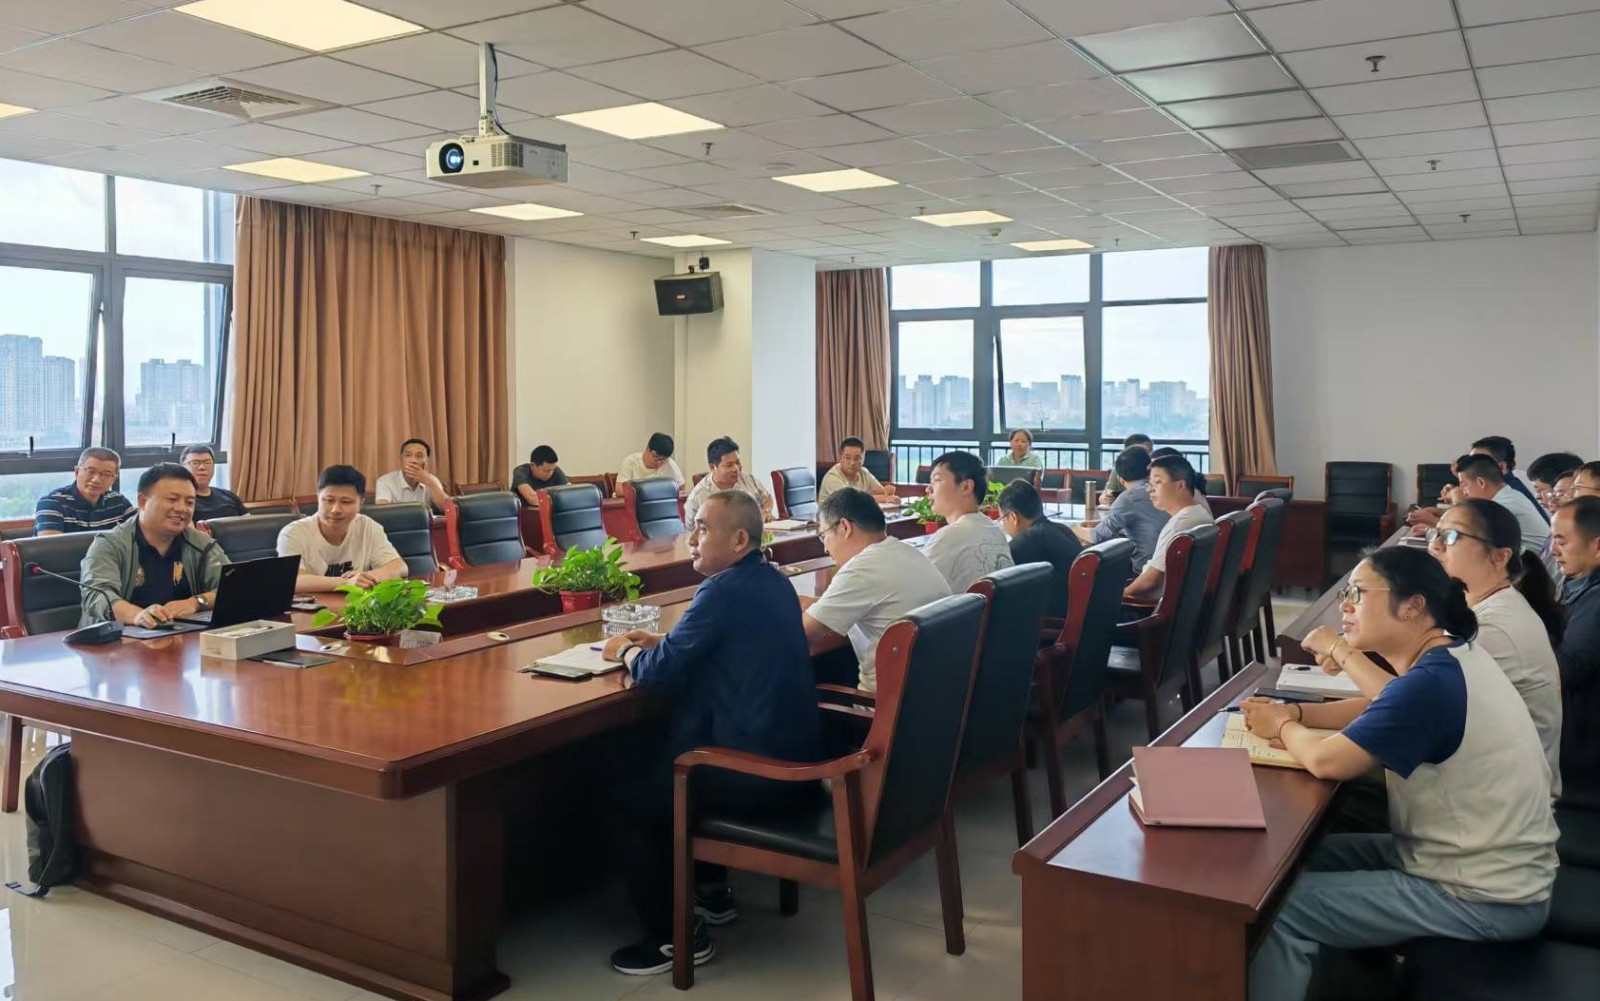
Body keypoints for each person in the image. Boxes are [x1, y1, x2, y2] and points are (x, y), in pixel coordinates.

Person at [1243, 547, 1558, 1001]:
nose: (1345, 605)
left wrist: (1282, 725)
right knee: (1296, 861)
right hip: (1463, 862)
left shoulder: (1432, 682)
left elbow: (1328, 761)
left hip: (1485, 896)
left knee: (1281, 911)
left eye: (1358, 593)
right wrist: (1296, 712)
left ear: (1412, 606)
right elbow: (1386, 700)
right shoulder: (1451, 658)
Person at [599, 491, 821, 975]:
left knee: (631, 801)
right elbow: (729, 641)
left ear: (739, 539)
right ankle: (711, 892)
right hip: (793, 759)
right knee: (668, 762)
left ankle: (671, 938)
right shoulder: (771, 580)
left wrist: (625, 651)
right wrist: (664, 640)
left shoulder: (721, 590)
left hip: (755, 774)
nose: (692, 538)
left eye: (702, 527)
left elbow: (658, 673)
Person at [1427, 499, 1564, 796]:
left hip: (1503, 800)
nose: (1435, 546)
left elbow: (1418, 707)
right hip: (1486, 781)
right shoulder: (1481, 607)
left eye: (1450, 536)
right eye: (1435, 534)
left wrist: (1342, 651)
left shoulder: (1493, 629)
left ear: (1500, 557)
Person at [800, 488, 950, 691]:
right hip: (934, 695)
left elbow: (805, 633)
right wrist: (816, 604)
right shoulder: (908, 553)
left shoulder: (860, 569)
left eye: (824, 535)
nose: (825, 548)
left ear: (844, 527)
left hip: (881, 704)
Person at [78, 463, 230, 628]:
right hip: (118, 638)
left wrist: (195, 602)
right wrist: (138, 615)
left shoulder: (200, 543)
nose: (182, 509)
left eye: (189, 502)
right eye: (172, 499)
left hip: (180, 635)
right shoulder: (110, 544)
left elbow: (233, 588)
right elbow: (97, 596)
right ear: (143, 501)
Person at [277, 465, 408, 593]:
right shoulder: (293, 533)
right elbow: (293, 580)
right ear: (318, 498)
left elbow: (399, 566)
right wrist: (346, 583)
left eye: (346, 502)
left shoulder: (368, 527)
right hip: (312, 606)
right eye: (329, 500)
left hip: (356, 604)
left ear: (360, 503)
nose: (335, 510)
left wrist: (368, 577)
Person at [1550, 496, 1600, 806]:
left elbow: (1564, 671)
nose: (1553, 551)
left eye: (1562, 541)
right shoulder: (1579, 582)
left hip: (1582, 763)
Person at [1123, 453, 1212, 601]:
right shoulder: (1199, 513)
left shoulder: (1179, 525)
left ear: (1181, 485)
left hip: (1151, 606)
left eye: (1157, 482)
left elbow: (1151, 580)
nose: (1149, 489)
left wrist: (1120, 596)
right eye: (1149, 483)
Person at [923, 450, 1014, 591]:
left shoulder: (948, 538)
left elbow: (912, 590)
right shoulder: (995, 530)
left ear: (965, 487)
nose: (928, 489)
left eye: (937, 480)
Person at [1427, 454, 1550, 554]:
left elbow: (1464, 533)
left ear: (1481, 483)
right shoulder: (1507, 495)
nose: (1463, 491)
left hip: (1530, 570)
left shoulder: (1504, 504)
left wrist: (1430, 522)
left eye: (1464, 485)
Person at [998, 480, 1081, 620]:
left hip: (1054, 621)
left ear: (1013, 517)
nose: (1003, 524)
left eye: (1001, 519)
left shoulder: (1025, 542)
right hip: (1079, 614)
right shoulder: (1063, 530)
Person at [1080, 446, 1167, 571]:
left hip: (1144, 569)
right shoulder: (1160, 490)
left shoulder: (1129, 498)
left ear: (1120, 480)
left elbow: (1097, 536)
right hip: (1165, 565)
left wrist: (1073, 528)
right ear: (1149, 471)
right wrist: (1100, 523)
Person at [35, 447, 132, 536]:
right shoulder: (52, 503)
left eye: (106, 474)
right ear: (77, 472)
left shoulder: (119, 502)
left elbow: (139, 535)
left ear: (114, 479)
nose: (96, 480)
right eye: (91, 471)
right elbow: (50, 547)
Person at [682, 436, 774, 527]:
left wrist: (766, 511)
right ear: (712, 467)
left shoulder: (747, 478)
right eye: (729, 465)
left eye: (737, 462)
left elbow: (767, 498)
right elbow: (692, 532)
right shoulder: (699, 496)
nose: (736, 469)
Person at [1472, 435, 1547, 522]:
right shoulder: (1510, 484)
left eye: (1479, 464)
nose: (1470, 468)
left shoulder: (1509, 494)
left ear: (1502, 467)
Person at [375, 438, 450, 510]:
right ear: (401, 458)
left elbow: (448, 509)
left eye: (419, 456)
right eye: (408, 455)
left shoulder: (432, 480)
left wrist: (428, 481)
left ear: (426, 461)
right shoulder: (385, 481)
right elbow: (382, 512)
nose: (413, 461)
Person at [179, 444, 245, 522]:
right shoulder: (180, 500)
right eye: (195, 463)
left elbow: (249, 523)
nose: (202, 467)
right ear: (183, 467)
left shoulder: (229, 496)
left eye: (207, 462)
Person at [818, 436, 895, 503]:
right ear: (840, 458)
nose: (852, 463)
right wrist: (885, 498)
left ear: (863, 459)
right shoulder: (833, 477)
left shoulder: (864, 472)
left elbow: (883, 492)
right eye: (848, 458)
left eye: (857, 458)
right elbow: (851, 501)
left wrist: (888, 492)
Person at [616, 433, 684, 495]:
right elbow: (619, 490)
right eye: (656, 457)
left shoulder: (670, 464)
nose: (659, 462)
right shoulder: (631, 462)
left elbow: (681, 488)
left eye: (663, 459)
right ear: (647, 449)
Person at [1101, 433, 1153, 503]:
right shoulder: (1119, 469)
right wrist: (1106, 498)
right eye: (1144, 452)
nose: (1150, 455)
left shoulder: (1155, 471)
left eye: (1151, 451)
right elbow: (1104, 496)